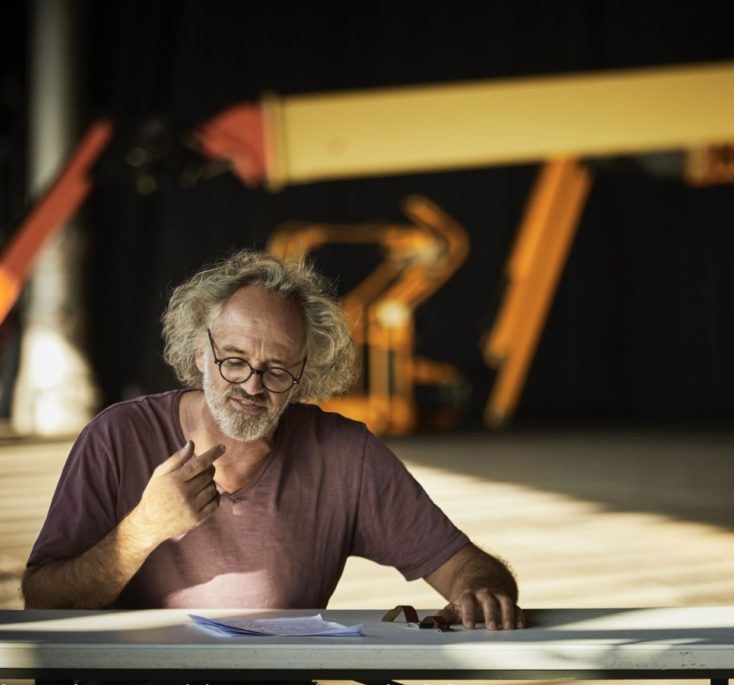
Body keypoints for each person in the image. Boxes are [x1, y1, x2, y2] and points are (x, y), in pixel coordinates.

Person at [22, 250, 525, 631]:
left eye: (278, 369)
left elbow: (464, 565)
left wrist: (480, 590)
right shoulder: (117, 436)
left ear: (305, 373)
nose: (254, 386)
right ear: (199, 352)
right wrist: (143, 529)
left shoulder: (344, 456)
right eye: (234, 361)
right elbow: (42, 601)